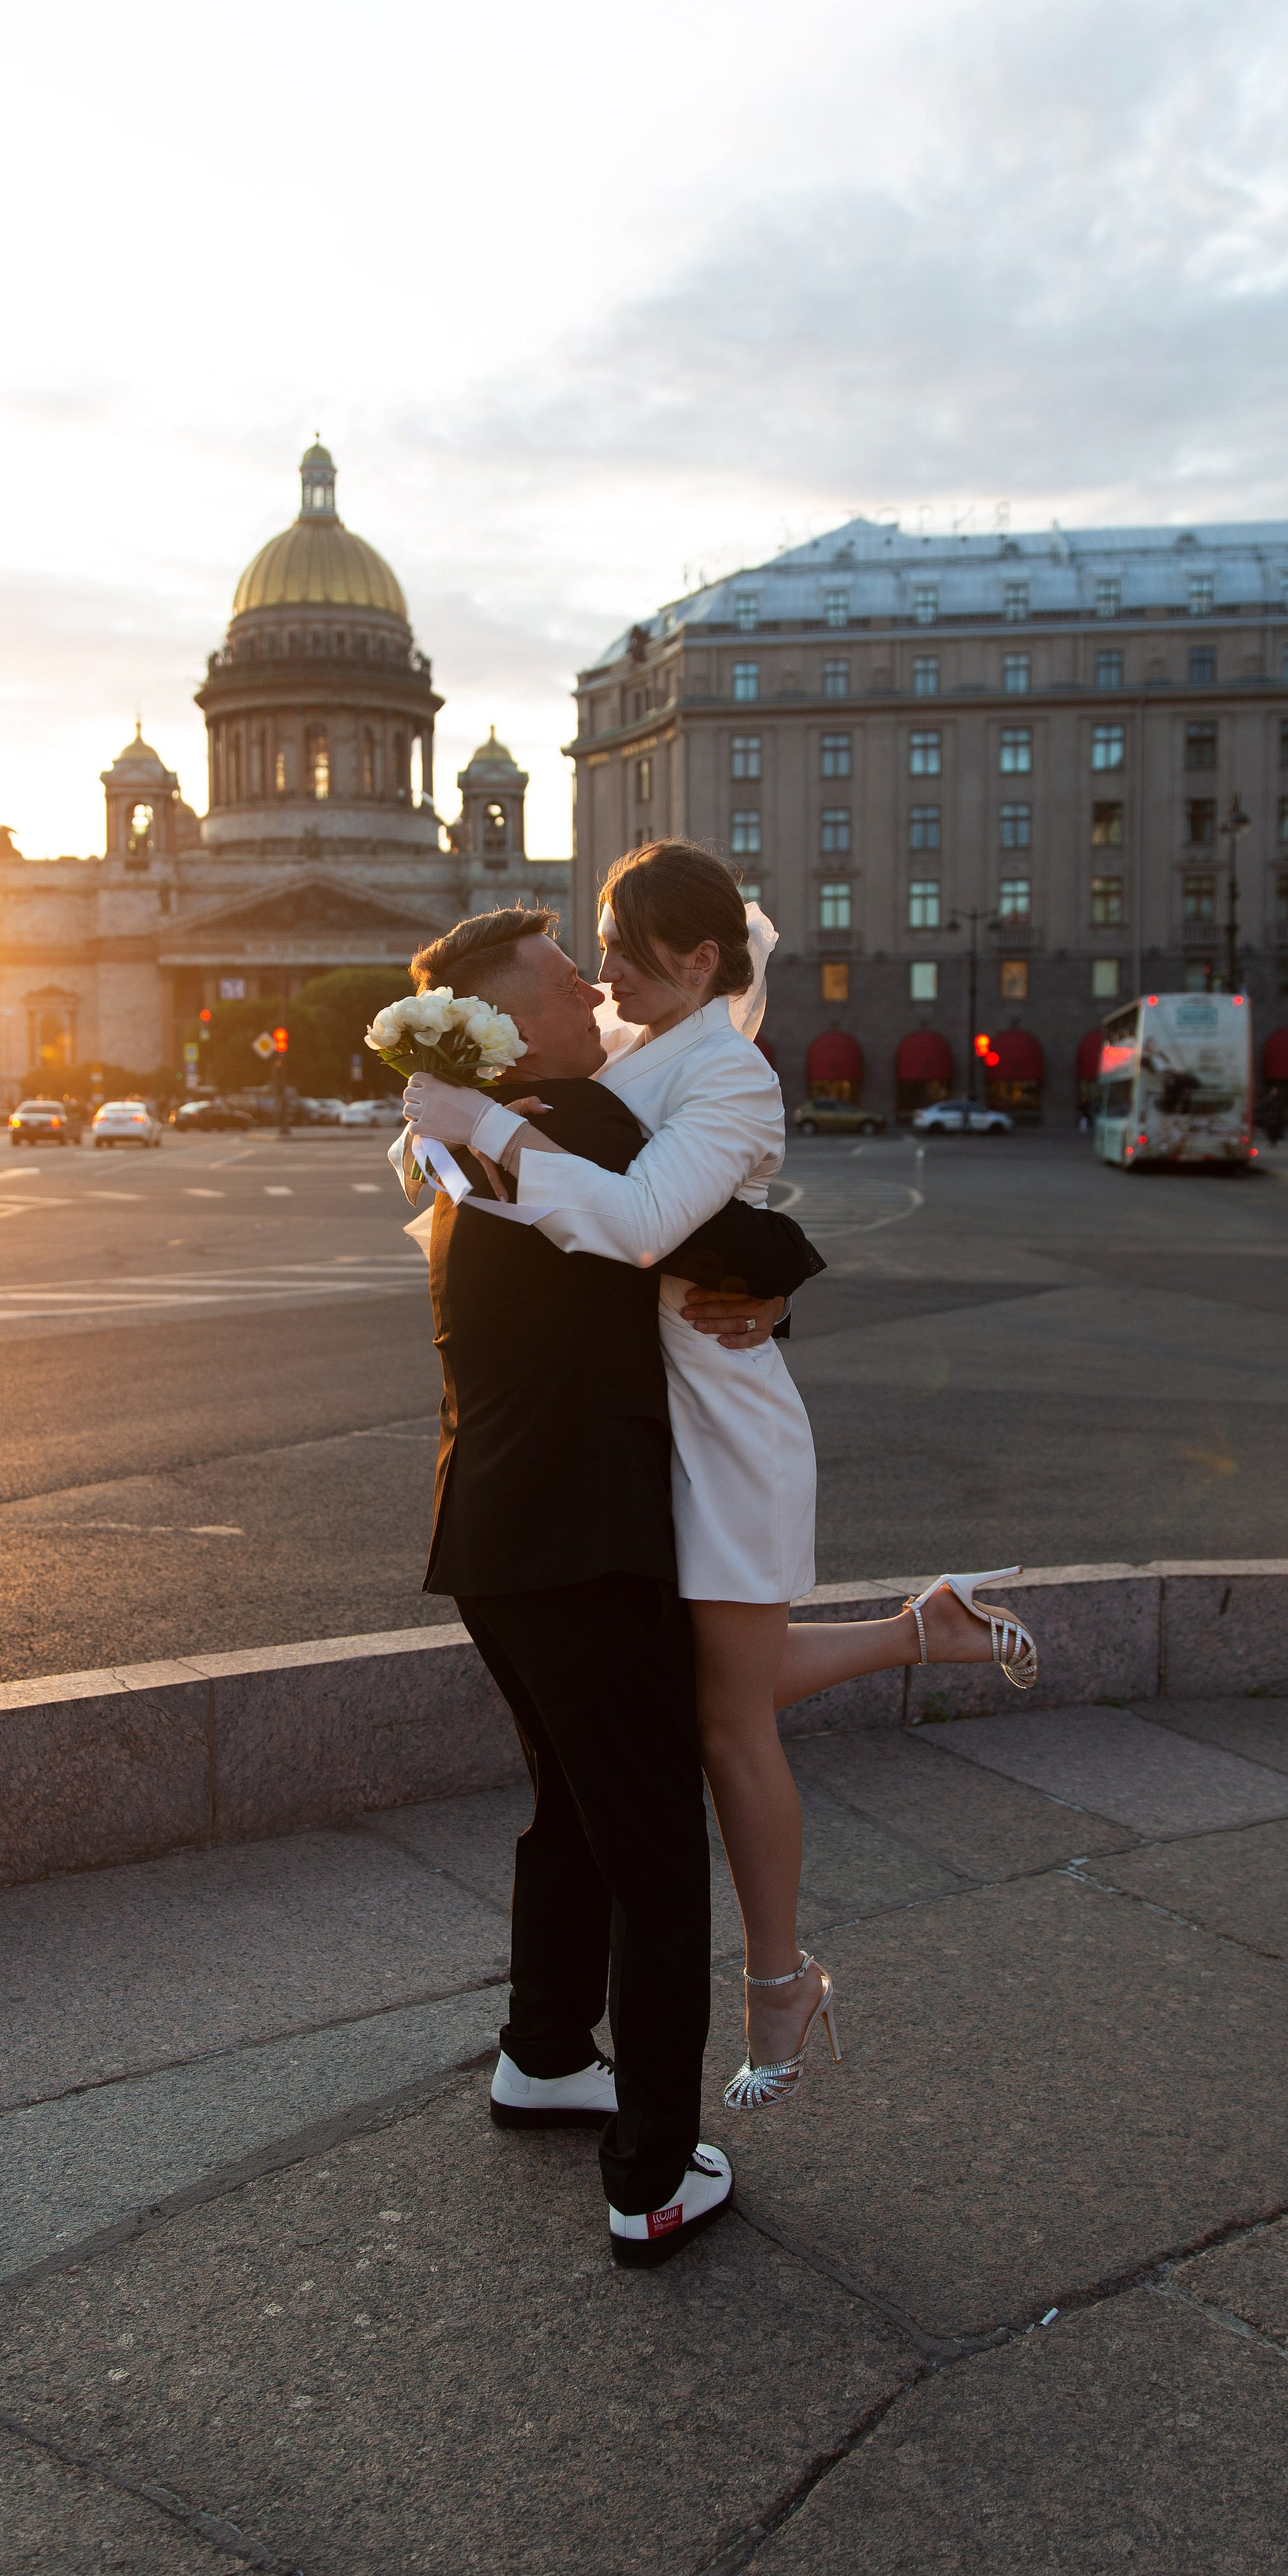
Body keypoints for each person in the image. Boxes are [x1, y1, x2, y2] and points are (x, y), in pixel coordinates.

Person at [401, 850, 1036, 2112]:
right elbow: (590, 1178)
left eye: (625, 948)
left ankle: (778, 1984)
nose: (602, 971)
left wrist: (482, 1125)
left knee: (726, 1719)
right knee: (706, 1701)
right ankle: (929, 1629)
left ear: (700, 961)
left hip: (718, 1426)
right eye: (589, 950)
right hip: (641, 1425)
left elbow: (648, 1223)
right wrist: (460, 1116)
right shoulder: (617, 1059)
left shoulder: (729, 1070)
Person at [400, 903, 827, 2268]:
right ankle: (651, 2173)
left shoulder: (457, 1134)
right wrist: (785, 1287)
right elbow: (729, 1239)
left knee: (572, 1813)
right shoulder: (569, 1114)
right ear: (514, 1027)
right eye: (564, 977)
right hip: (583, 1545)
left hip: (490, 1536)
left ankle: (542, 2052)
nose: (593, 987)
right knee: (652, 1849)